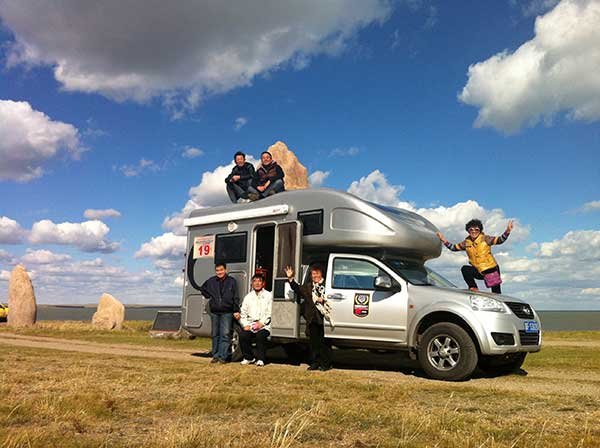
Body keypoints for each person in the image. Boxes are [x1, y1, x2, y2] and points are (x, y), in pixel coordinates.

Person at [437, 219, 514, 294]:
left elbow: (500, 240)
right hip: (478, 270)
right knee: (465, 269)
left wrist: (507, 231)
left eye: (476, 229)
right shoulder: (466, 243)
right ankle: (473, 287)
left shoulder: (485, 238)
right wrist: (443, 240)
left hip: (490, 269)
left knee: (496, 294)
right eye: (471, 229)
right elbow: (453, 248)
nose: (474, 231)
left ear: (480, 231)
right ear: (468, 231)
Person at [284, 265, 333, 371]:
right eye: (313, 274)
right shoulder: (308, 287)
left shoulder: (327, 286)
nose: (315, 276)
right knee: (314, 342)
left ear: (322, 274)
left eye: (317, 273)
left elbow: (332, 298)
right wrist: (290, 278)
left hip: (324, 318)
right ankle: (315, 363)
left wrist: (323, 299)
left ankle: (325, 364)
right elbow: (297, 289)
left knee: (324, 342)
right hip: (312, 318)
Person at [200, 263, 241, 363]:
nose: (219, 272)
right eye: (217, 270)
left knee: (225, 334)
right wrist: (209, 295)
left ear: (225, 270)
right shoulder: (211, 281)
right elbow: (202, 288)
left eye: (221, 270)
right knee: (215, 334)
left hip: (227, 311)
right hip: (215, 311)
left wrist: (236, 309)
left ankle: (223, 357)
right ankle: (215, 356)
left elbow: (236, 296)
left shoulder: (231, 281)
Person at [239, 274, 273, 367]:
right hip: (251, 324)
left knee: (260, 336)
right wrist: (245, 325)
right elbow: (243, 313)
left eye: (259, 281)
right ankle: (249, 357)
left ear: (263, 284)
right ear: (252, 283)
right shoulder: (248, 297)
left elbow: (269, 312)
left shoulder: (269, 296)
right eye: (255, 281)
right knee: (243, 335)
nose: (257, 283)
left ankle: (261, 359)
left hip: (265, 325)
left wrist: (262, 323)